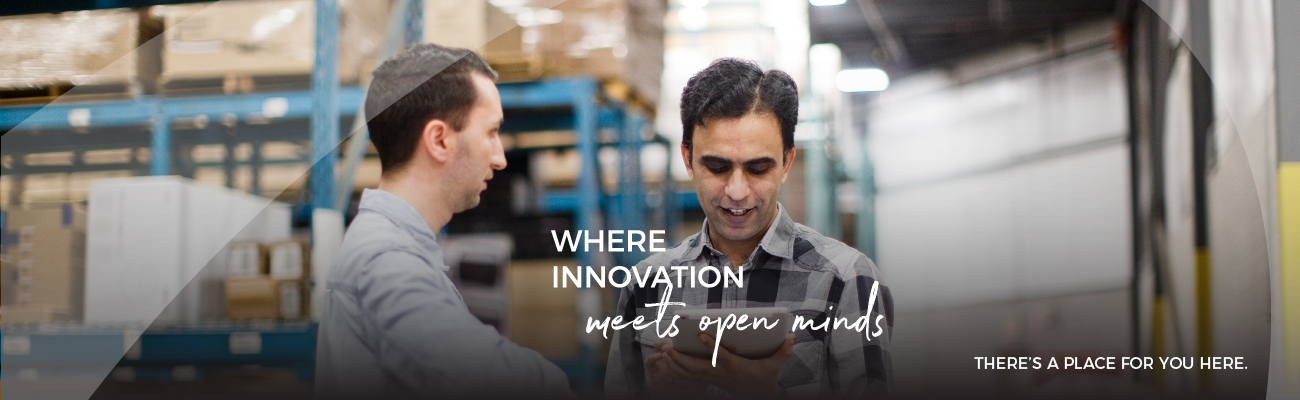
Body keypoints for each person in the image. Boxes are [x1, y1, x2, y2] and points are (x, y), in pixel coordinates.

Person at [604, 58, 894, 397]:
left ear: (786, 162)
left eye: (758, 168)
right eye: (717, 166)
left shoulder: (846, 281)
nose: (737, 191)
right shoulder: (647, 286)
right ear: (688, 160)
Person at [314, 44, 570, 397]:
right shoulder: (386, 259)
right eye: (491, 133)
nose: (500, 159)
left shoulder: (395, 248)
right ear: (439, 140)